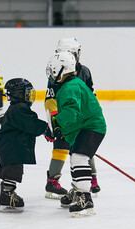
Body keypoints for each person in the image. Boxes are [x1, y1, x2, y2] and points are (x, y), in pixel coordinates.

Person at [45, 51, 107, 217]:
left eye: (53, 70)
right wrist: (59, 128)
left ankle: (84, 198)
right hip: (86, 126)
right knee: (75, 156)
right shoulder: (72, 84)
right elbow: (73, 115)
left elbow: (71, 113)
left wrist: (56, 124)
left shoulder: (70, 87)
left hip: (92, 127)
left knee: (79, 157)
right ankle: (77, 190)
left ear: (62, 69)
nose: (51, 74)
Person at [0, 78, 50, 212]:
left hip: (9, 146)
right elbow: (31, 124)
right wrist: (46, 129)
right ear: (18, 94)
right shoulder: (19, 109)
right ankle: (7, 196)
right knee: (12, 170)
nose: (30, 95)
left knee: (13, 169)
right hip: (10, 147)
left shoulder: (17, 108)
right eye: (26, 92)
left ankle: (7, 194)